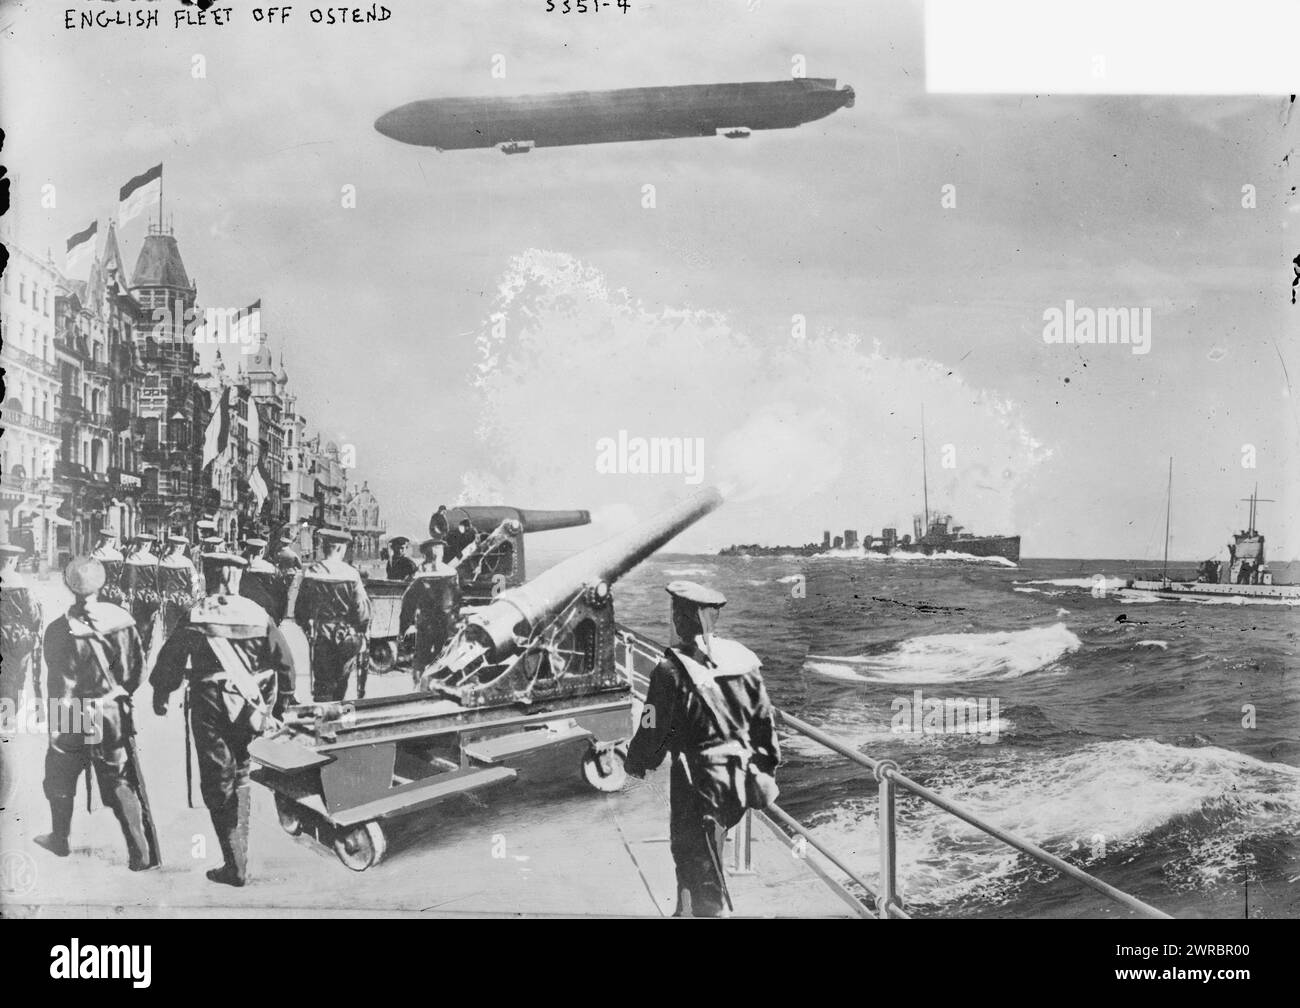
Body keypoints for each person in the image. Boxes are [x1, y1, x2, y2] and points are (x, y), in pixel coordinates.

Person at [624, 581, 781, 918]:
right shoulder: (741, 659)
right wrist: (765, 767)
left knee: (695, 855)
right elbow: (764, 720)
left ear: (681, 619)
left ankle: (705, 913)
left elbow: (652, 725)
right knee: (706, 846)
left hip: (697, 779)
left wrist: (638, 761)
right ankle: (685, 910)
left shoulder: (669, 671)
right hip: (738, 778)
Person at [151, 552, 296, 886]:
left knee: (217, 778)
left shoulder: (197, 613)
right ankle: (239, 858)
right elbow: (284, 662)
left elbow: (171, 658)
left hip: (210, 705)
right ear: (237, 577)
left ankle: (233, 864)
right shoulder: (257, 614)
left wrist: (162, 693)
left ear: (208, 574)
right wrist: (281, 704)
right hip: (250, 707)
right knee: (242, 772)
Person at [35, 557, 156, 870]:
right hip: (112, 711)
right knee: (118, 779)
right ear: (101, 583)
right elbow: (137, 672)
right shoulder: (122, 620)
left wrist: (58, 727)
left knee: (60, 772)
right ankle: (139, 852)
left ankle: (60, 839)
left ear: (68, 585)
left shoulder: (60, 629)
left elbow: (60, 685)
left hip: (74, 711)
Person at [294, 527, 371, 701]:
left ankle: (323, 723)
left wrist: (308, 627)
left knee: (322, 684)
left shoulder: (312, 573)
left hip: (322, 634)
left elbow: (300, 610)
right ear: (339, 548)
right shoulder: (351, 574)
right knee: (342, 681)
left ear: (324, 547)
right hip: (347, 635)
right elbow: (362, 611)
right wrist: (361, 630)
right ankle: (338, 718)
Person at [399, 538, 461, 671]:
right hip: (433, 622)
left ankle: (427, 683)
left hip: (437, 623)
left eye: (440, 549)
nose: (438, 552)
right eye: (437, 549)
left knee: (431, 658)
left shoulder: (421, 574)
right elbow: (457, 599)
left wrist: (404, 627)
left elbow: (408, 602)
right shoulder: (445, 572)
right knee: (430, 657)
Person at [0, 542, 43, 709]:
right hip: (15, 641)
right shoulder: (22, 587)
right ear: (12, 561)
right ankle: (7, 718)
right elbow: (33, 617)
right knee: (15, 680)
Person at [121, 533, 160, 657]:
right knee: (149, 624)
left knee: (137, 623)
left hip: (136, 597)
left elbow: (125, 581)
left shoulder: (131, 559)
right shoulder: (154, 561)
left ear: (139, 545)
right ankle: (145, 649)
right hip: (152, 597)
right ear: (149, 545)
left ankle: (136, 650)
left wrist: (128, 592)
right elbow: (158, 581)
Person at [158, 534, 202, 638]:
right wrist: (196, 599)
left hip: (168, 599)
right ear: (181, 547)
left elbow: (158, 582)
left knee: (169, 629)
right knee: (184, 629)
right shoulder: (187, 563)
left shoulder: (162, 561)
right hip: (185, 600)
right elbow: (195, 583)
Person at [237, 537, 281, 619]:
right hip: (266, 609)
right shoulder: (271, 568)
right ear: (262, 551)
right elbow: (280, 593)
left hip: (245, 610)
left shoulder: (240, 568)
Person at [90, 528, 126, 607]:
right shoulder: (118, 556)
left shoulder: (95, 555)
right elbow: (121, 576)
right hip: (115, 590)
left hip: (100, 591)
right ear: (111, 541)